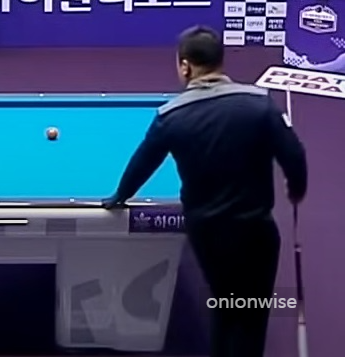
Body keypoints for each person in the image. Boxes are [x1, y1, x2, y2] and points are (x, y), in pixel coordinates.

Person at [101, 25, 308, 357]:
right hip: (256, 230)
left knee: (225, 307)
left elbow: (143, 163)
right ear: (220, 61)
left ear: (185, 66)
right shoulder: (260, 103)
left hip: (208, 233)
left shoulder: (171, 116)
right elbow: (294, 155)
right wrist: (296, 187)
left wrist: (119, 197)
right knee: (253, 314)